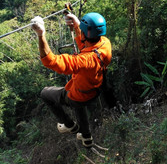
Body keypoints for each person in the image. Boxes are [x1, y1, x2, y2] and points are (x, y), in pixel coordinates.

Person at [31, 12, 112, 148]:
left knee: (45, 93)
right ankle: (86, 137)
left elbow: (51, 61)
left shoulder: (83, 60)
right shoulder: (105, 43)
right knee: (79, 102)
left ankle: (69, 125)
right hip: (94, 91)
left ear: (86, 33)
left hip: (79, 96)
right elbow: (87, 46)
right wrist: (77, 25)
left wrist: (41, 34)